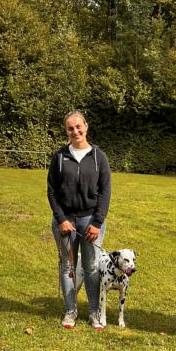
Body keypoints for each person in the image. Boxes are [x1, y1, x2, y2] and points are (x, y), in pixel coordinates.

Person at [47, 110, 112, 330]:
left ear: (86, 126)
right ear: (66, 131)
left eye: (78, 126)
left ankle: (94, 312)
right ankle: (70, 310)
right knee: (68, 266)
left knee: (91, 266)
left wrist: (97, 222)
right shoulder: (59, 157)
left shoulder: (98, 157)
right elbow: (52, 192)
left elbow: (105, 192)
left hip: (90, 220)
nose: (75, 131)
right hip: (65, 222)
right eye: (70, 128)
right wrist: (61, 219)